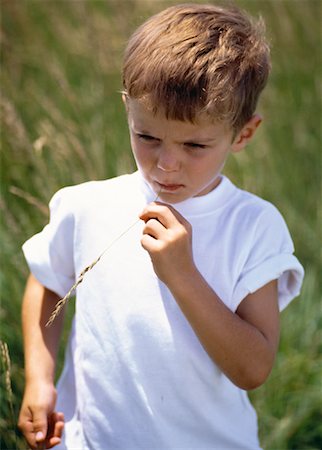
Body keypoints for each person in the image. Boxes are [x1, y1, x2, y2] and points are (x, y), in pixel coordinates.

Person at [18, 3, 304, 449]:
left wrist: (183, 275)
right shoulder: (88, 205)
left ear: (243, 134)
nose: (166, 164)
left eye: (195, 144)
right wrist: (39, 378)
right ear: (128, 111)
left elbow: (253, 369)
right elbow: (47, 282)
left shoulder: (253, 227)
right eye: (147, 137)